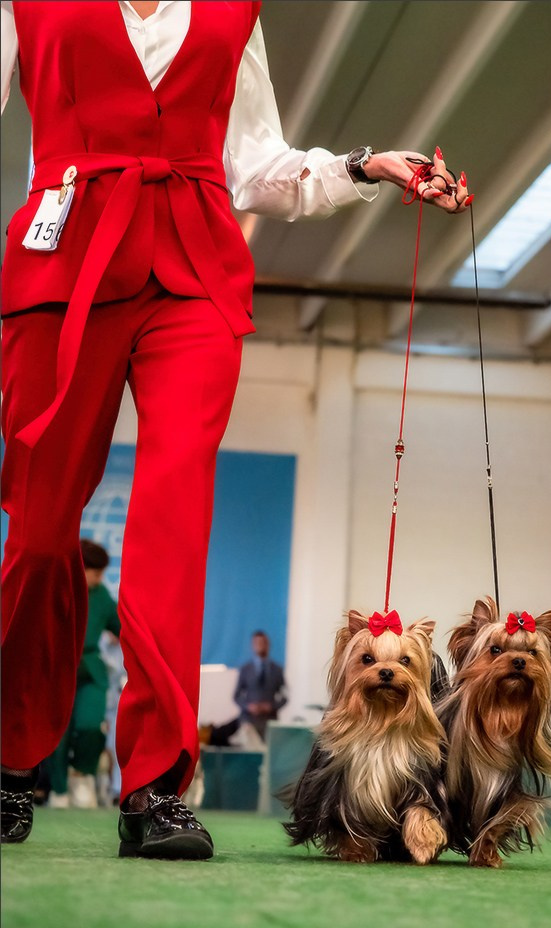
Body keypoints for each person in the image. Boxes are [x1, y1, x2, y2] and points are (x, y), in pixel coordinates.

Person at [0, 1, 472, 860]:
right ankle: (5, 756)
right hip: (62, 264)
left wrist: (367, 166)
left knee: (172, 526)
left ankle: (154, 786)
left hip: (192, 274)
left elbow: (258, 165)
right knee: (36, 535)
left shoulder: (230, 10)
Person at [46, 540, 122, 809]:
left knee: (92, 726)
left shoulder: (101, 596)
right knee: (57, 734)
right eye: (96, 572)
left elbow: (121, 625)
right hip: (56, 670)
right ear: (81, 568)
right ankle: (58, 788)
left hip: (91, 670)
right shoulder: (55, 588)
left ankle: (81, 776)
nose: (100, 579)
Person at [233, 631, 288, 741]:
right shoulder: (245, 670)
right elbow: (236, 695)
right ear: (253, 645)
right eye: (257, 643)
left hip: (269, 722)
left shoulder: (277, 670)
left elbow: (284, 695)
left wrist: (271, 706)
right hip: (249, 721)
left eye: (263, 643)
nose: (260, 645)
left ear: (268, 645)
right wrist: (248, 706)